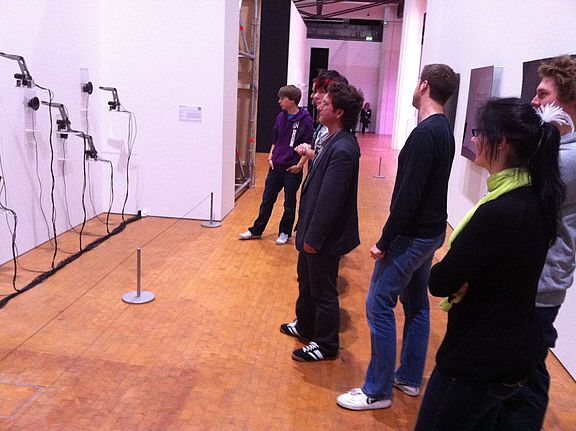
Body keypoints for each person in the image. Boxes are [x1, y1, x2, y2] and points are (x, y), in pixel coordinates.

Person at [414, 97, 565, 430]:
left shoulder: (498, 211)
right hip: (512, 353)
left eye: (479, 132)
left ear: (502, 143)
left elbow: (439, 281)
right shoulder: (538, 199)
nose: (474, 139)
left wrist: (453, 270)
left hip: (477, 358)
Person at [337, 64, 458, 410]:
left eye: (417, 81)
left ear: (424, 85)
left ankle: (376, 390)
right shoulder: (443, 129)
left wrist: (385, 241)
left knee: (378, 303)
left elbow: (408, 196)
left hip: (412, 236)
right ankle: (408, 378)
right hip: (431, 233)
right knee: (416, 303)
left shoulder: (424, 135)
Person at [497, 55, 576, 430]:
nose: (534, 101)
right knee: (521, 368)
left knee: (524, 377)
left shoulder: (566, 158)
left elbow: (512, 187)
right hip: (534, 279)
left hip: (539, 283)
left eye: (543, 94)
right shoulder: (556, 152)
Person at [279, 82, 364, 362]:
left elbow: (330, 202)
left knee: (323, 290)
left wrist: (313, 239)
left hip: (323, 237)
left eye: (326, 104)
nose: (319, 106)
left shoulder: (344, 148)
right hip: (312, 230)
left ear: (338, 112)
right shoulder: (333, 140)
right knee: (306, 281)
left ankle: (326, 344)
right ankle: (305, 325)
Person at [239, 85, 313, 245]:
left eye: (282, 98)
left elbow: (308, 145)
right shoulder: (280, 117)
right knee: (267, 200)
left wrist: (299, 165)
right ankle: (256, 230)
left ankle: (285, 232)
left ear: (292, 100)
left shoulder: (305, 120)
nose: (279, 101)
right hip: (275, 167)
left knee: (289, 203)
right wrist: (270, 156)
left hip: (292, 169)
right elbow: (276, 138)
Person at [296, 70, 348, 163]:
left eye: (321, 91)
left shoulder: (341, 139)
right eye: (315, 92)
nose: (314, 96)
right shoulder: (324, 123)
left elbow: (328, 158)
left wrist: (306, 151)